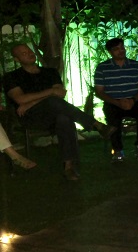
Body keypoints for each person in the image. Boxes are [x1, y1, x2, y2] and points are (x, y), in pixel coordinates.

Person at [3, 44, 115, 181]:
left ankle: (69, 166)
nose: (29, 54)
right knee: (54, 103)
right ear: (17, 59)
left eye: (29, 50)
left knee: (63, 118)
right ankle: (96, 125)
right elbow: (20, 99)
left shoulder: (50, 72)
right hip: (31, 117)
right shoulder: (12, 77)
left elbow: (60, 94)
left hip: (53, 114)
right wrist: (50, 92)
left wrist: (31, 102)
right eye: (23, 53)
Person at [94, 37, 138, 162]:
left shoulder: (136, 66)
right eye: (116, 49)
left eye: (122, 47)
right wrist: (117, 102)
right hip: (113, 102)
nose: (121, 51)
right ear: (110, 52)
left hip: (133, 100)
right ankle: (118, 150)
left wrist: (133, 100)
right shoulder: (102, 68)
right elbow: (99, 92)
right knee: (113, 120)